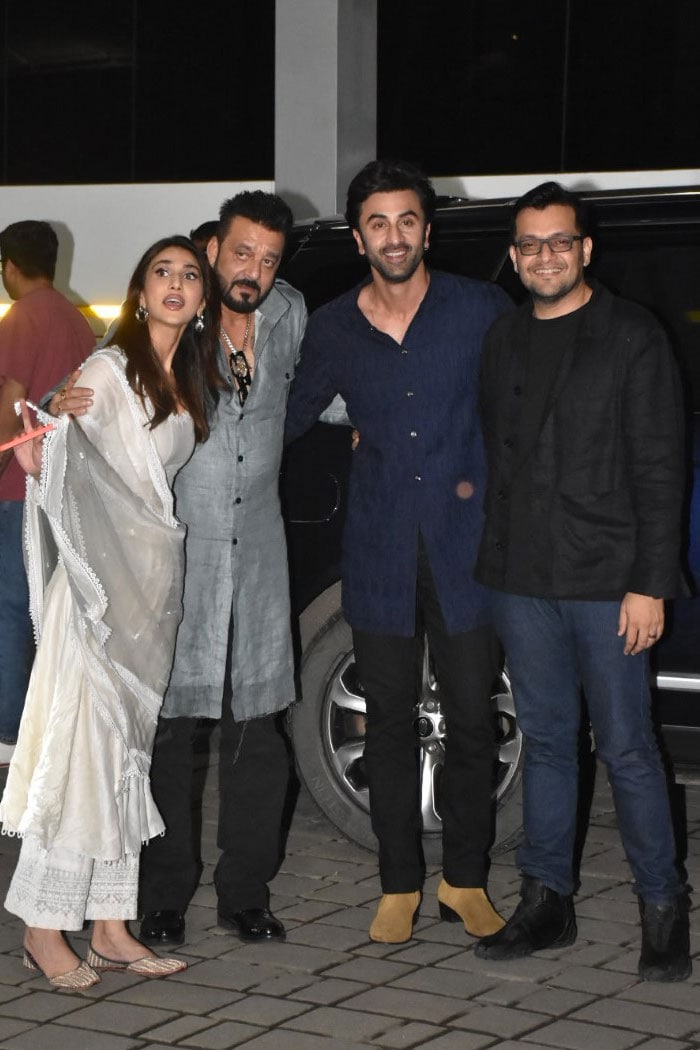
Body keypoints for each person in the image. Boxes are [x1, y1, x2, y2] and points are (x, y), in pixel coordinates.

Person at [284, 159, 511, 944]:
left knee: (474, 722)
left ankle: (467, 880)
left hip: (466, 550)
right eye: (378, 223)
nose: (394, 235)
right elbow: (283, 417)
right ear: (359, 237)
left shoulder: (481, 308)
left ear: (426, 228)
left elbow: (524, 399)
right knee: (386, 722)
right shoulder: (335, 326)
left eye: (407, 220)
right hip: (378, 550)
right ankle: (397, 885)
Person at [473, 182, 690, 982]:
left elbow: (660, 467)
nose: (544, 257)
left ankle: (663, 908)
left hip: (608, 583)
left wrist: (649, 583)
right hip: (522, 579)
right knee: (550, 743)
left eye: (559, 242)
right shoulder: (502, 339)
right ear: (516, 254)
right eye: (529, 245)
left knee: (631, 749)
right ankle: (546, 902)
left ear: (585, 249)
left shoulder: (632, 334)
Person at [0, 235, 221, 989]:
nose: (176, 283)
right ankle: (41, 928)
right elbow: (36, 454)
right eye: (162, 271)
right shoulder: (107, 369)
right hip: (96, 597)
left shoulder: (190, 376)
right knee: (78, 754)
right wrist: (52, 417)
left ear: (200, 302)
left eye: (190, 276)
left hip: (149, 592)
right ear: (139, 289)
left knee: (124, 759)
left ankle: (110, 926)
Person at [0, 220, 95, 765]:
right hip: (63, 486)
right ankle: (51, 729)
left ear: (10, 267)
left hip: (19, 485)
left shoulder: (21, 316)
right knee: (50, 610)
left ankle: (11, 735)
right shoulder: (75, 318)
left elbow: (12, 397)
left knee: (13, 610)